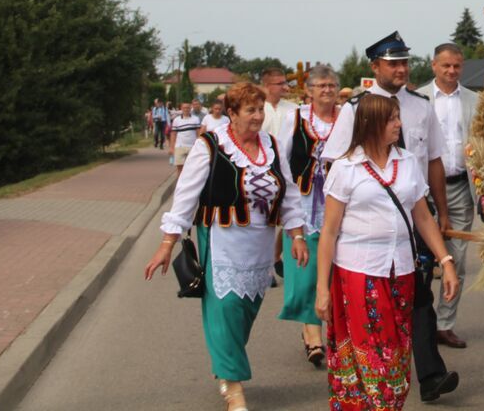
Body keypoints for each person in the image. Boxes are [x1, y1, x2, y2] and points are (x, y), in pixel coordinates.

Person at [145, 82, 308, 411]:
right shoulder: (210, 145)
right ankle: (233, 388)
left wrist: (297, 235)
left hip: (260, 246)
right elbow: (186, 197)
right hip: (221, 241)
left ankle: (226, 364)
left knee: (245, 311)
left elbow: (289, 193)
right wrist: (167, 243)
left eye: (260, 109)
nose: (258, 116)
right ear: (231, 114)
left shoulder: (272, 145)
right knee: (226, 309)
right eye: (250, 110)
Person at [323, 31, 458, 403]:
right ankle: (386, 381)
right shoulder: (356, 109)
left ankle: (428, 374)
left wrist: (441, 212)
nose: (400, 69)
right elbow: (336, 164)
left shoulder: (420, 105)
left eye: (404, 62)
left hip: (412, 210)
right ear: (375, 66)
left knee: (420, 296)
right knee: (382, 313)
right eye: (393, 63)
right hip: (366, 220)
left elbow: (432, 160)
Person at [276, 65, 342, 367]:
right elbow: (281, 159)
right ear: (309, 91)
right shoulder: (295, 119)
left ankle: (323, 330)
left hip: (338, 201)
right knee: (305, 270)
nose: (327, 90)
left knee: (332, 268)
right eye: (322, 86)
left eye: (332, 85)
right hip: (303, 203)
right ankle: (311, 333)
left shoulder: (347, 119)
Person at [418, 43, 478, 348]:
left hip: (459, 188)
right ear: (434, 66)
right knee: (419, 261)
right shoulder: (418, 99)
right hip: (420, 191)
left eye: (457, 66)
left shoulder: (474, 100)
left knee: (458, 259)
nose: (452, 71)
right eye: (446, 66)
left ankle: (444, 323)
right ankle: (417, 321)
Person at [260, 66, 298, 140]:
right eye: (280, 84)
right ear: (267, 85)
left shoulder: (295, 109)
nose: (285, 87)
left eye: (285, 83)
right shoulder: (257, 110)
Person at [169, 101, 203, 177]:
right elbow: (173, 134)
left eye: (188, 107)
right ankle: (180, 186)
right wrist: (171, 147)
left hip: (192, 146)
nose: (186, 109)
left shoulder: (195, 119)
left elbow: (198, 133)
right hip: (179, 146)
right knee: (180, 168)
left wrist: (198, 145)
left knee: (192, 168)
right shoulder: (176, 120)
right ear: (181, 108)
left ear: (190, 108)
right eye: (184, 108)